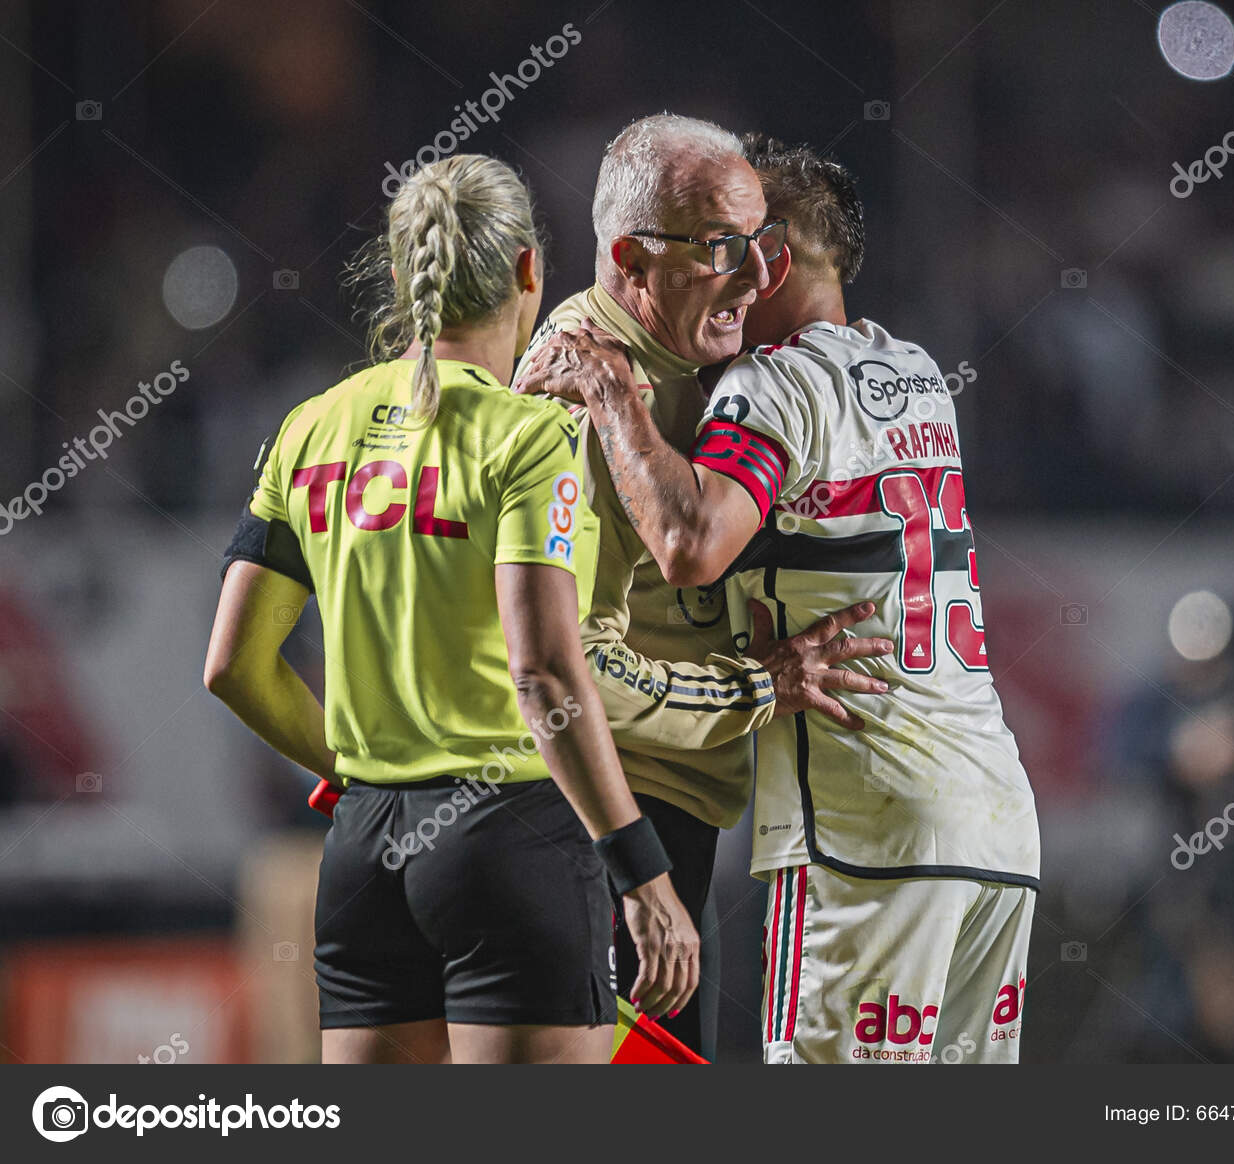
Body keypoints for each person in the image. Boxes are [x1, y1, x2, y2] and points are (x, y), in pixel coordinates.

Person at [521, 138, 1041, 1064]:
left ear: (774, 257)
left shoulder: (772, 382)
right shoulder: (916, 371)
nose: (724, 273)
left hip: (867, 826)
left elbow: (687, 542)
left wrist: (611, 392)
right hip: (997, 824)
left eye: (737, 246)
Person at [203, 154, 698, 1065]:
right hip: (511, 844)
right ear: (528, 272)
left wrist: (352, 771)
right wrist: (641, 869)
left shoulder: (310, 425)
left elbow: (233, 663)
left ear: (400, 277)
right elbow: (544, 670)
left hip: (364, 858)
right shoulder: (534, 437)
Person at [513, 114, 890, 1057]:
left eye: (762, 246)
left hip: (673, 818)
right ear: (631, 258)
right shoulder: (578, 394)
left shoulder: (703, 362)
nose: (759, 279)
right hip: (595, 824)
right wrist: (757, 686)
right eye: (725, 248)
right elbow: (562, 678)